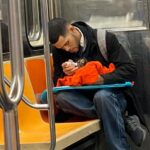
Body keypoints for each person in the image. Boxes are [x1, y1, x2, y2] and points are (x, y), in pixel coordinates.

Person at [48, 17, 146, 149]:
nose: (66, 49)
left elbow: (129, 69)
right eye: (61, 47)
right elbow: (57, 82)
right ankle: (122, 119)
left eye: (67, 43)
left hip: (112, 96)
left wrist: (102, 79)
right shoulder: (59, 50)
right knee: (62, 98)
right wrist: (66, 74)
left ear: (71, 29)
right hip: (83, 100)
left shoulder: (104, 39)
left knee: (102, 97)